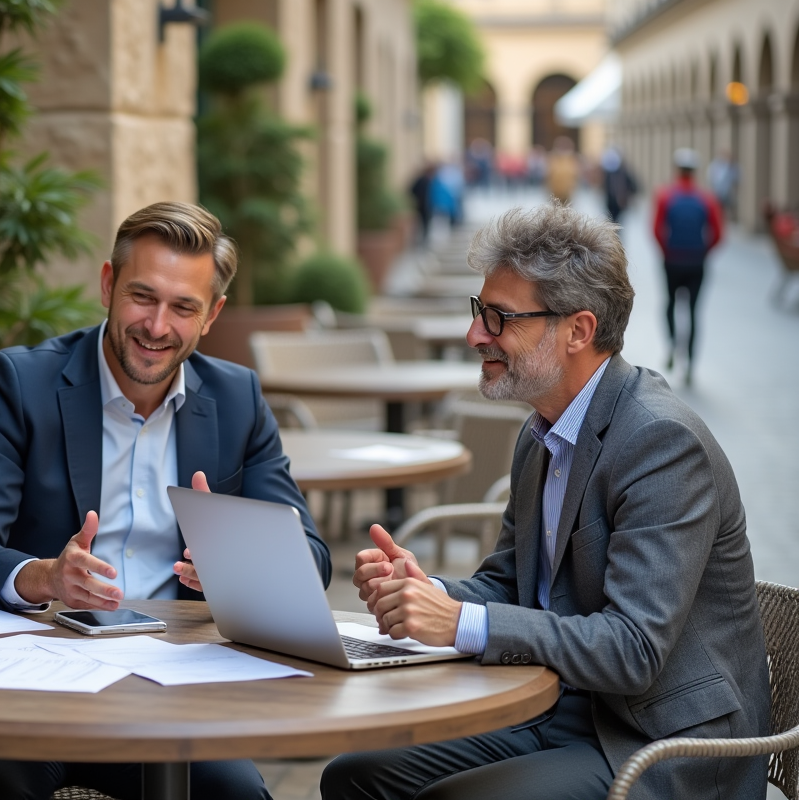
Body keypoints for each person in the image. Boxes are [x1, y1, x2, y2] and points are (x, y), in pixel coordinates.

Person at [320, 202, 769, 800]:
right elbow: (508, 585)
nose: (475, 333)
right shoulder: (542, 434)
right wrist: (428, 592)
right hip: (566, 711)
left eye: (500, 317)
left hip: (662, 742)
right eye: (480, 310)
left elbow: (633, 650)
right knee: (355, 776)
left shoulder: (661, 444)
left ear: (578, 331)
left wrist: (459, 623)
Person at [0, 201, 331, 800]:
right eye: (142, 297)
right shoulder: (20, 383)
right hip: (27, 684)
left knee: (236, 796)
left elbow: (311, 555)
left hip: (171, 691)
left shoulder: (237, 399)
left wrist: (240, 567)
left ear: (210, 315)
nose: (157, 326)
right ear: (108, 285)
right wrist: (43, 576)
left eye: (183, 306)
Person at [652, 147, 722, 384]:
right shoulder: (706, 199)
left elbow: (656, 229)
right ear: (695, 172)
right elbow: (719, 233)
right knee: (693, 311)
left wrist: (666, 250)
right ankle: (690, 364)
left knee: (670, 304)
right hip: (696, 261)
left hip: (672, 260)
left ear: (677, 169)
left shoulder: (665, 195)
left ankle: (672, 344)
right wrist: (704, 252)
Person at [599, 146, 638, 223]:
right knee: (612, 223)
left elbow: (635, 187)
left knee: (617, 224)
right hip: (610, 204)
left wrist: (627, 195)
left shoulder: (624, 172)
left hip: (620, 205)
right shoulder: (608, 172)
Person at [544, 136, 580, 204]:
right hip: (555, 191)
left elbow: (575, 175)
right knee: (555, 211)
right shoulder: (552, 158)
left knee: (567, 210)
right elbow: (548, 175)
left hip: (567, 191)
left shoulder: (572, 159)